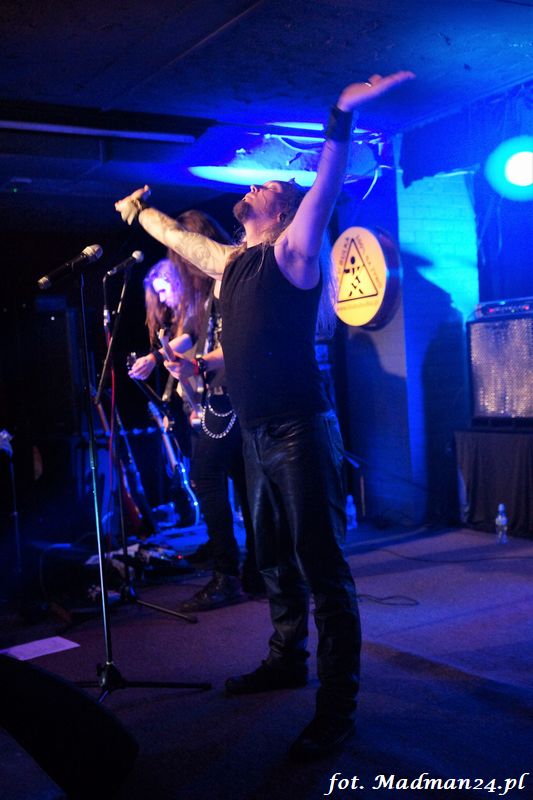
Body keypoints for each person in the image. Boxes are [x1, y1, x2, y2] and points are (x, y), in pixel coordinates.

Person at [116, 71, 415, 760]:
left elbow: (326, 182)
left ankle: (336, 707)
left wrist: (340, 112)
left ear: (283, 209)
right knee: (273, 559)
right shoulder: (232, 263)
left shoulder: (294, 251)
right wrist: (140, 216)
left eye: (266, 185)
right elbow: (183, 242)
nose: (252, 186)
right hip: (255, 435)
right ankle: (286, 660)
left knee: (321, 567)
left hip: (300, 432)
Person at [128, 210, 263, 611]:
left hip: (234, 394)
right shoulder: (207, 291)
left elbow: (238, 344)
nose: (185, 264)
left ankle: (227, 575)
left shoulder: (229, 276)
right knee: (241, 480)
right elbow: (191, 334)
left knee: (207, 477)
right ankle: (254, 568)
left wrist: (197, 365)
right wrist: (158, 357)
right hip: (227, 394)